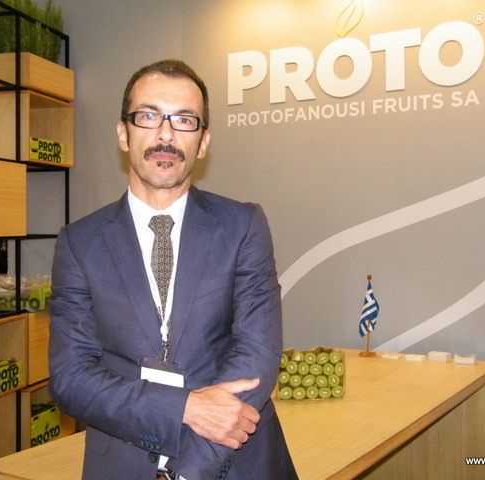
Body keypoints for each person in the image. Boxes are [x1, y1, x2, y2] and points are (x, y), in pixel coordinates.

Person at [48, 59, 298, 480]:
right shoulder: (80, 243)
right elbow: (71, 378)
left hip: (231, 462)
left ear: (203, 142)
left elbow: (256, 354)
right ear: (123, 133)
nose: (165, 134)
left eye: (184, 120)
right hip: (123, 462)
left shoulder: (242, 225)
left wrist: (187, 471)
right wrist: (184, 408)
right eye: (149, 116)